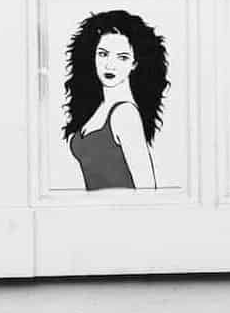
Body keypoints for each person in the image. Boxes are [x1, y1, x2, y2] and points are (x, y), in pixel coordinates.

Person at [61, 10, 167, 190]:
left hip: (123, 214)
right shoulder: (95, 108)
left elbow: (147, 189)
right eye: (103, 54)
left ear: (135, 63)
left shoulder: (125, 114)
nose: (110, 65)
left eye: (122, 57)